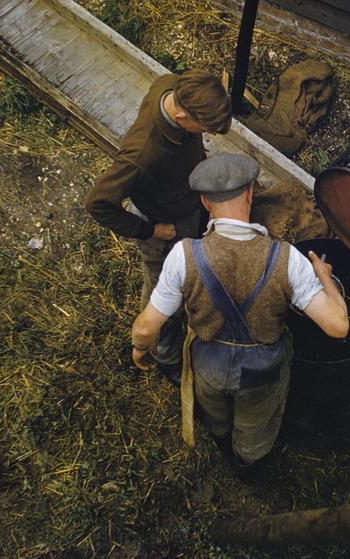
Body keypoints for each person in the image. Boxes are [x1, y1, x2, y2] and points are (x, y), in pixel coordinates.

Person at [131, 153, 348, 473]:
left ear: (205, 202)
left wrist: (140, 349)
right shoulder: (288, 259)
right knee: (255, 430)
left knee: (215, 415)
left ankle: (221, 438)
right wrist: (325, 278)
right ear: (249, 194)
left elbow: (146, 327)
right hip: (261, 372)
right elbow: (338, 326)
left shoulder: (183, 255)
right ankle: (248, 465)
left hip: (209, 364)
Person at [85, 70, 232, 383]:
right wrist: (151, 231)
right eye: (204, 128)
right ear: (181, 117)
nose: (206, 133)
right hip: (164, 223)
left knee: (190, 269)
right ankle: (165, 354)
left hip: (185, 198)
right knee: (165, 293)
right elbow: (98, 203)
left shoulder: (170, 85)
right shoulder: (142, 154)